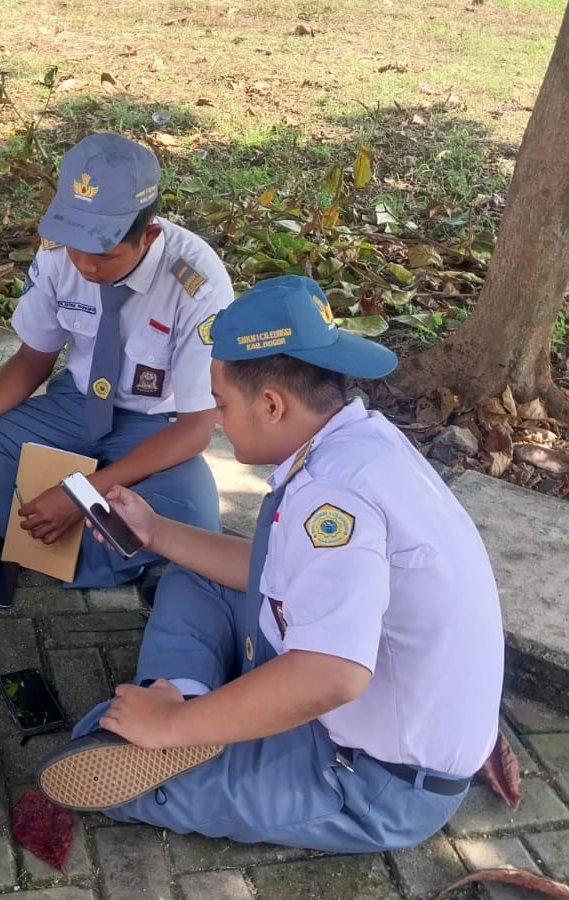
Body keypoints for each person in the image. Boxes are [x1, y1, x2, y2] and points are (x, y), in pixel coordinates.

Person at [35, 275, 504, 853]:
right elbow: (270, 572)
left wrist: (170, 727)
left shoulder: (334, 499)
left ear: (272, 404)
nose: (216, 418)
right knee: (191, 575)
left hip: (371, 780)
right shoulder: (361, 442)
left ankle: (183, 718)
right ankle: (184, 693)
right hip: (383, 705)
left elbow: (332, 674)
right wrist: (155, 531)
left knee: (100, 741)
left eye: (223, 403)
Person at [0, 133, 231, 590]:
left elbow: (194, 428)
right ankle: (84, 543)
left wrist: (81, 492)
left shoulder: (197, 282)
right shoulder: (58, 252)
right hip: (73, 407)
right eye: (75, 247)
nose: (85, 267)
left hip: (155, 426)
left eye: (104, 255)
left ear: (148, 236)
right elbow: (34, 359)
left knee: (195, 518)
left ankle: (16, 525)